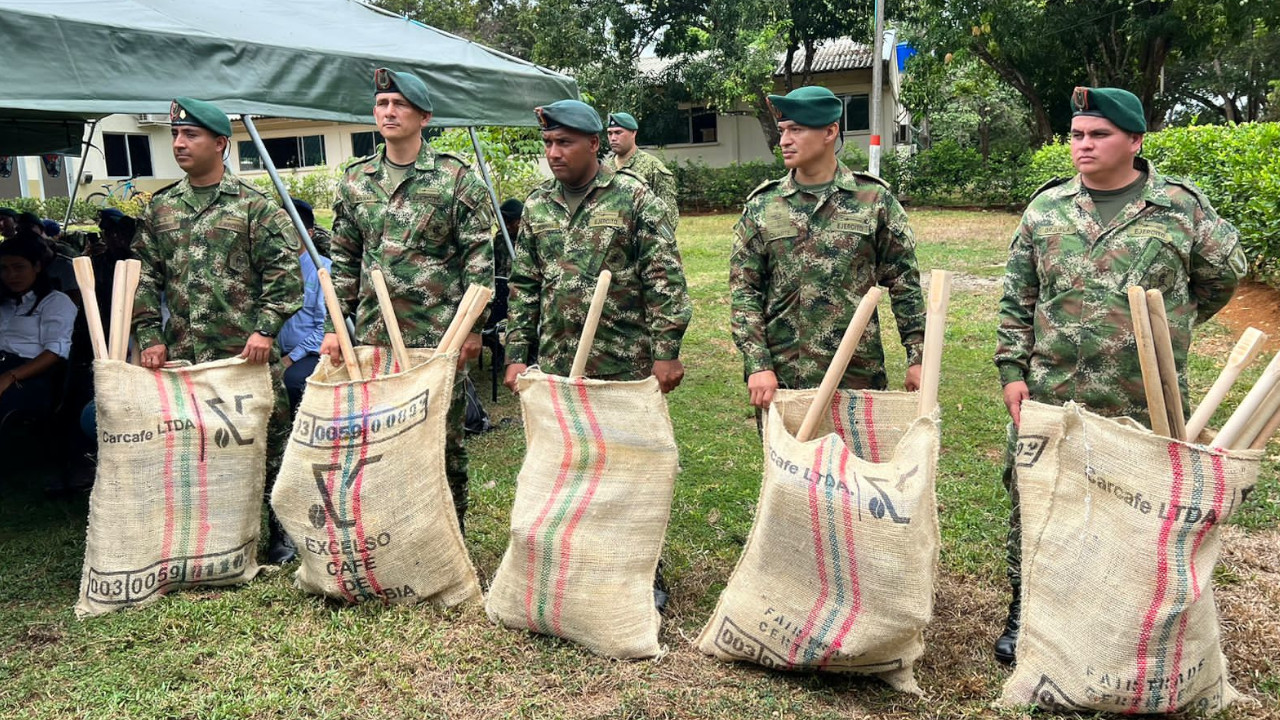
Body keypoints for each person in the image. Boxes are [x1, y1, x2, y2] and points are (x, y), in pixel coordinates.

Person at [992, 86, 1246, 665]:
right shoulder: (1047, 209)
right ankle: (1024, 609)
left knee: (1135, 505)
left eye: (1098, 134)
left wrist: (1167, 327)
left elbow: (1222, 277)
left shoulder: (1181, 209)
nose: (1083, 145)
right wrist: (1012, 369)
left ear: (1134, 140)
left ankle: (1121, 617)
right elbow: (1017, 297)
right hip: (1053, 389)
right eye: (1077, 134)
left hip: (1141, 392)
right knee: (1035, 497)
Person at [504, 99, 692, 613]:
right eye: (547, 143)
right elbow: (524, 286)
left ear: (594, 144)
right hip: (558, 361)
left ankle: (642, 571)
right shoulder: (539, 204)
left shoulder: (634, 199)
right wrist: (517, 353)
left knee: (628, 470)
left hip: (622, 360)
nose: (553, 152)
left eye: (564, 142)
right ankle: (574, 561)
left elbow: (664, 278)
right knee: (566, 465)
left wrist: (666, 350)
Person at [323, 68, 495, 534]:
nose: (389, 112)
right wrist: (333, 329)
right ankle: (390, 530)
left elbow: (479, 255)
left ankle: (448, 533)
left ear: (424, 116)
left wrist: (474, 329)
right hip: (376, 334)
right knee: (381, 434)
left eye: (400, 104)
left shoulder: (455, 178)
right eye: (382, 104)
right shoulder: (356, 180)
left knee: (444, 437)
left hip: (441, 334)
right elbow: (343, 258)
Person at [131, 97, 302, 564]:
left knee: (269, 437)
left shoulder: (254, 207)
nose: (180, 143)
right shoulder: (161, 209)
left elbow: (286, 276)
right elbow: (143, 276)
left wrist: (266, 331)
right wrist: (149, 335)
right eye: (176, 135)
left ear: (221, 144)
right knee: (196, 444)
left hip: (246, 355)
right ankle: (211, 534)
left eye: (191, 135)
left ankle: (281, 533)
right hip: (187, 354)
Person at [729, 86, 925, 421]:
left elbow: (905, 283)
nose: (784, 141)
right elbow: (745, 289)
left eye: (797, 130)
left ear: (830, 132)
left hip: (856, 375)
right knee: (790, 473)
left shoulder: (873, 200)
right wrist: (757, 363)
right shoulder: (764, 205)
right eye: (782, 131)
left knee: (855, 472)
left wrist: (918, 357)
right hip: (785, 377)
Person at [0, 231, 77, 430]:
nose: (11, 276)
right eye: (4, 269)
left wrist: (11, 376)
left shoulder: (55, 301)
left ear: (36, 267)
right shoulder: (5, 303)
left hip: (30, 373)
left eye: (18, 267)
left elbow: (55, 352)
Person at [277, 198, 331, 414]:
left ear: (308, 234)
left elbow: (325, 327)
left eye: (291, 229)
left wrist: (291, 358)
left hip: (310, 352)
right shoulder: (273, 267)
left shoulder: (322, 270)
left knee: (292, 382)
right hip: (275, 350)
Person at [605, 112, 679, 227]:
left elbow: (669, 217)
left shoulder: (653, 168)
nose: (613, 138)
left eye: (618, 132)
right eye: (610, 133)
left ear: (633, 133)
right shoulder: (603, 169)